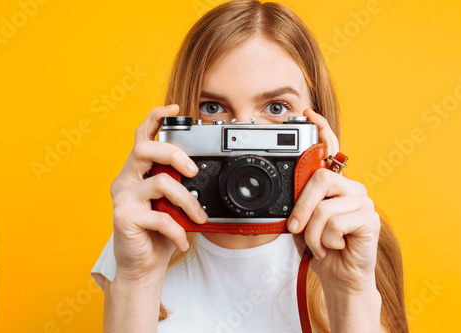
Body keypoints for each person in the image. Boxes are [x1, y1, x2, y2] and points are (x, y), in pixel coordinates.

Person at [90, 1, 408, 332]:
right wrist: (138, 279)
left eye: (276, 106)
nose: (245, 135)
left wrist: (350, 291)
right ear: (181, 122)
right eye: (213, 107)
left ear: (317, 120)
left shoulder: (356, 238)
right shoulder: (144, 237)